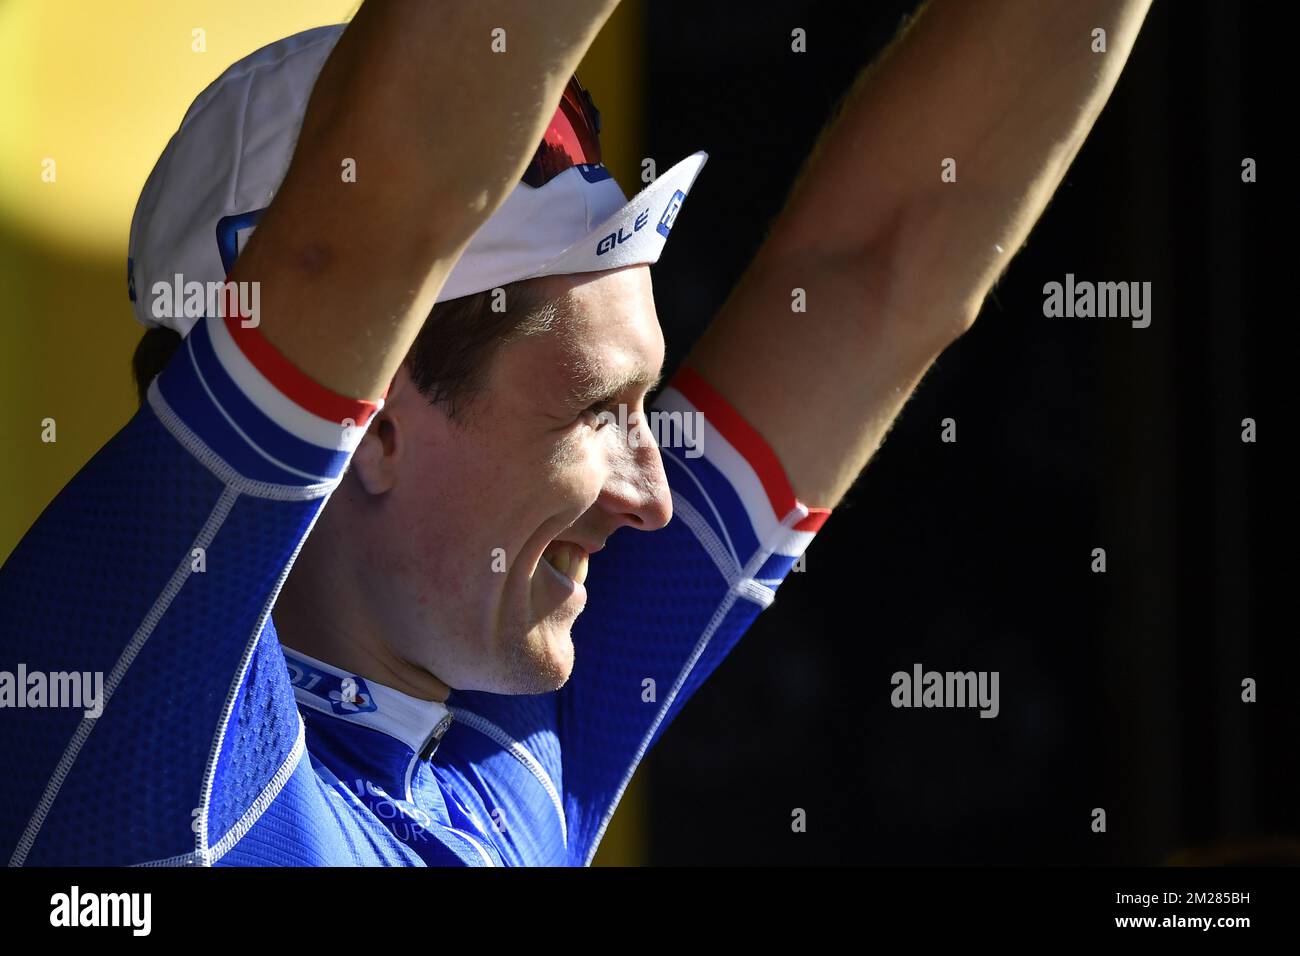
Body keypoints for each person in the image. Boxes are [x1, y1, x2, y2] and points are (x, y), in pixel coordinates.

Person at [0, 0, 1152, 866]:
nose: (653, 494)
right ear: (379, 415)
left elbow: (884, 268)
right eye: (598, 411)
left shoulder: (512, 719)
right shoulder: (136, 712)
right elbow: (374, 215)